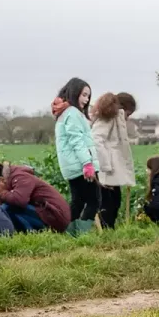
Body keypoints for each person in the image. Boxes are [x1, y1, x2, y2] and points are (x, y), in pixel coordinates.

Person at [52, 77, 99, 234]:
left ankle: (69, 233)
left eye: (88, 96)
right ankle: (81, 233)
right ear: (74, 92)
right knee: (94, 200)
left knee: (78, 201)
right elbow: (77, 141)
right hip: (81, 166)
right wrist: (87, 163)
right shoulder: (72, 113)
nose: (86, 100)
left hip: (73, 166)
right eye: (83, 95)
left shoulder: (64, 113)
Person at [90, 91, 136, 228]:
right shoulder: (109, 117)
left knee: (115, 201)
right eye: (128, 114)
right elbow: (96, 139)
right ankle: (106, 231)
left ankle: (109, 229)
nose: (127, 118)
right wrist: (105, 165)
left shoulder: (114, 117)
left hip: (111, 169)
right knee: (109, 203)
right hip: (107, 170)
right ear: (124, 109)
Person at [0, 162, 70, 233]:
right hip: (47, 212)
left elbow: (20, 200)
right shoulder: (14, 178)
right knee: (8, 206)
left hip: (56, 217)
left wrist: (1, 195)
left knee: (7, 208)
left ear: (1, 180)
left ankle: (29, 235)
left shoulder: (21, 177)